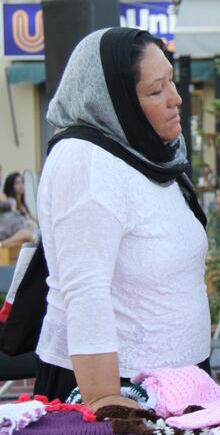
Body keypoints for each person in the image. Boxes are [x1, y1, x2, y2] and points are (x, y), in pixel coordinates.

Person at [34, 27, 210, 408]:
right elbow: (85, 289)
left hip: (175, 381)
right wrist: (107, 402)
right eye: (156, 90)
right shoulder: (86, 161)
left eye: (171, 83)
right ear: (113, 101)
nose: (175, 99)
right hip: (117, 385)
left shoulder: (149, 155)